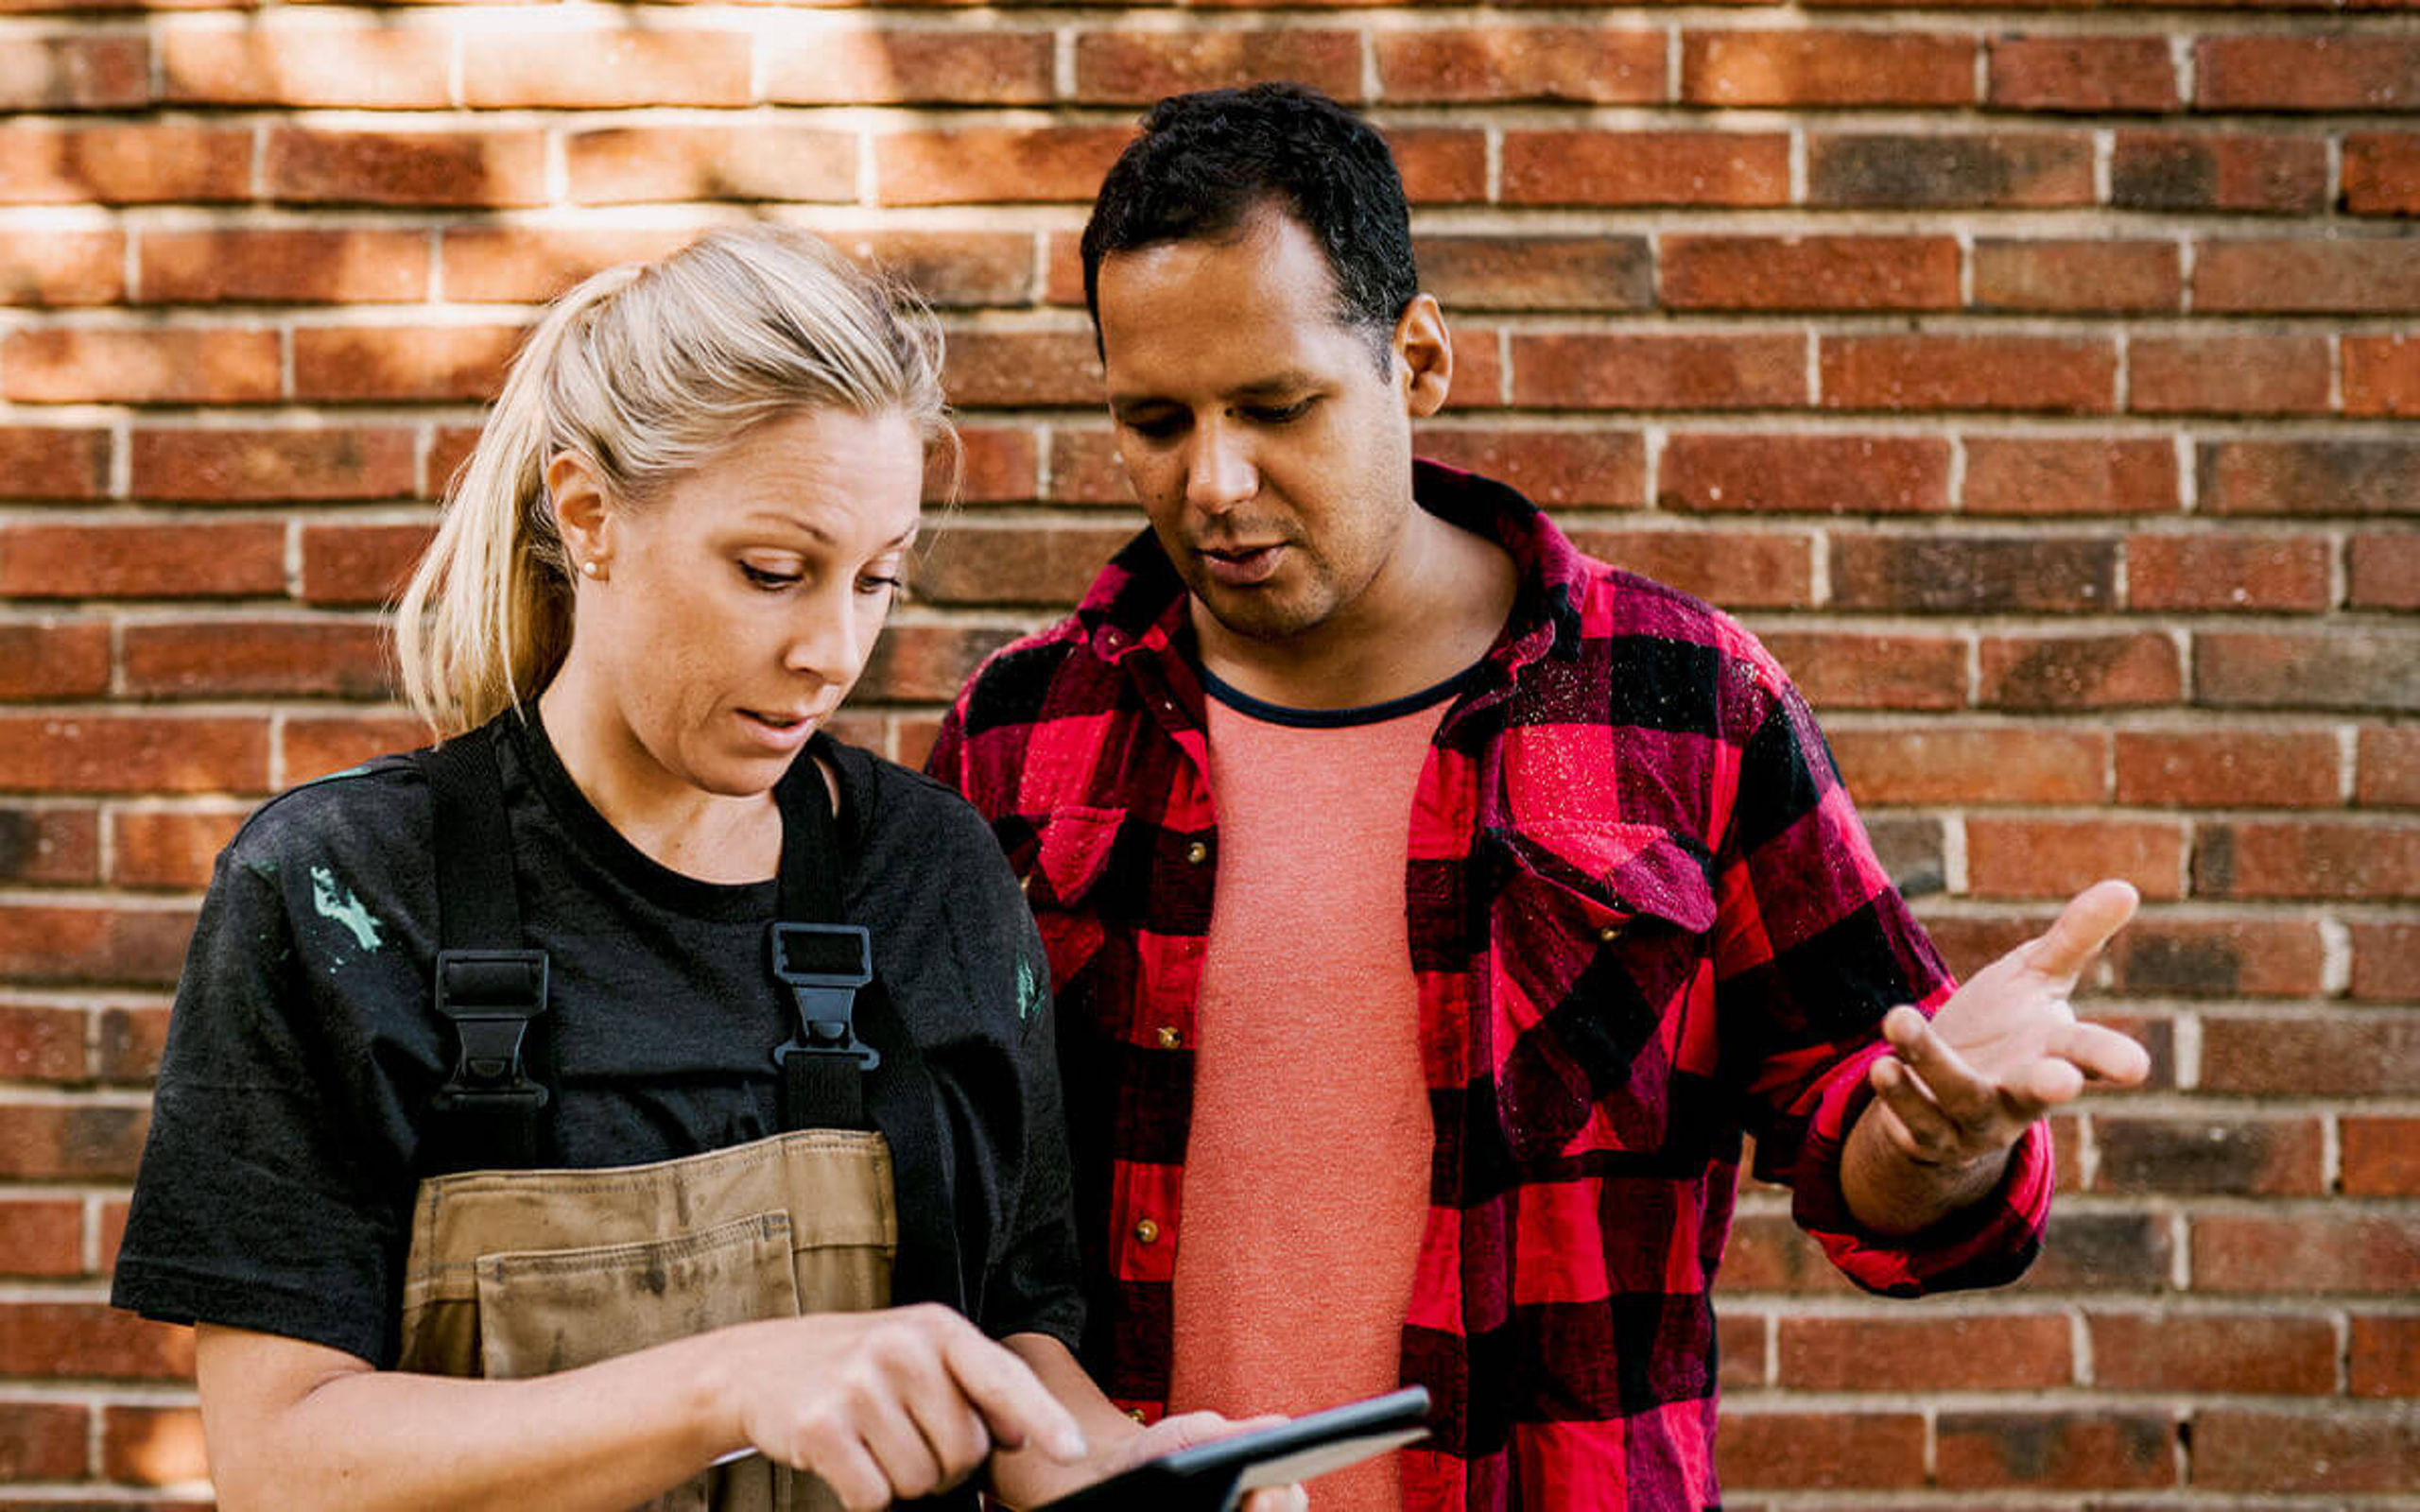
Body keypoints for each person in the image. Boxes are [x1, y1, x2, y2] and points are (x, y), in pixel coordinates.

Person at [926, 84, 2152, 1511]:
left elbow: (1877, 1155)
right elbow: (962, 1213)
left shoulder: (1686, 705)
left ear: (1419, 359)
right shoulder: (1021, 729)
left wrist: (1935, 1140)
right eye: (1155, 419)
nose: (1213, 479)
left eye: (1276, 406)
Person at [112, 226, 1296, 1512]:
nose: (830, 651)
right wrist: (732, 1383)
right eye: (772, 574)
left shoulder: (931, 874)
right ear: (588, 515)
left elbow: (1016, 1347)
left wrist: (1126, 1471)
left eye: (876, 580)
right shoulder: (339, 894)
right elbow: (284, 1465)